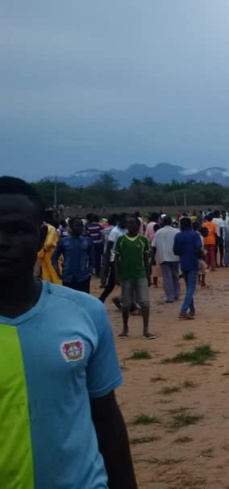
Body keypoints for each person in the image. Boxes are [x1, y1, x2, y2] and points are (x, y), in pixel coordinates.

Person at [0, 177, 137, 489]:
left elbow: (106, 418)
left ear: (40, 239)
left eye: (17, 230)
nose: (3, 241)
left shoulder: (86, 313)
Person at [114, 216, 154, 339]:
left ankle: (146, 330)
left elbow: (146, 260)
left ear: (138, 225)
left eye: (132, 223)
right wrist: (117, 275)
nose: (129, 225)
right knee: (126, 304)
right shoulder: (121, 240)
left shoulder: (142, 240)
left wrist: (148, 275)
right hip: (126, 275)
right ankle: (125, 328)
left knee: (145, 302)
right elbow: (116, 260)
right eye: (128, 223)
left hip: (140, 274)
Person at [51, 217, 95, 293]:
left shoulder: (87, 241)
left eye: (81, 225)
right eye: (77, 225)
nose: (80, 228)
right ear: (71, 227)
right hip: (68, 277)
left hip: (83, 277)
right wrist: (57, 271)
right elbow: (54, 257)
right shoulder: (63, 241)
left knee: (83, 300)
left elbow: (92, 258)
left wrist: (89, 271)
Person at [174, 217, 202, 320]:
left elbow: (175, 251)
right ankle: (183, 309)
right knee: (191, 288)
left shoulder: (178, 236)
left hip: (184, 263)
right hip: (193, 263)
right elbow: (199, 249)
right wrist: (201, 256)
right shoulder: (195, 235)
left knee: (188, 287)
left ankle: (192, 309)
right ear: (190, 224)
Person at [153, 218, 181, 303]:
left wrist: (152, 258)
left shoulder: (158, 232)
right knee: (175, 275)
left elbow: (154, 246)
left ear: (162, 223)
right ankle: (176, 294)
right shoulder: (177, 231)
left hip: (163, 256)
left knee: (167, 277)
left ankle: (170, 296)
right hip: (175, 256)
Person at [37, 213, 62, 284]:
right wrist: (44, 249)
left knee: (46, 275)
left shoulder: (42, 228)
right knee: (55, 275)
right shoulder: (51, 228)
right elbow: (49, 243)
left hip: (43, 254)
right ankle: (58, 292)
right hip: (52, 253)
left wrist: (41, 251)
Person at [86, 214, 104, 279]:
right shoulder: (100, 227)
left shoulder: (88, 227)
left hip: (91, 244)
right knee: (98, 259)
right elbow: (102, 235)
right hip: (99, 244)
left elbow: (87, 235)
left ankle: (90, 271)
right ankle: (98, 272)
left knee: (91, 258)